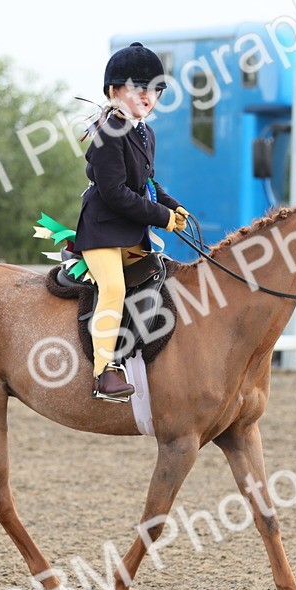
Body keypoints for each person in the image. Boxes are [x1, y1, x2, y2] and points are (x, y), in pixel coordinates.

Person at [73, 42, 189, 402]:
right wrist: (161, 217)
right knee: (113, 289)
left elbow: (148, 184)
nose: (148, 96)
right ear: (114, 91)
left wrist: (176, 208)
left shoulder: (144, 132)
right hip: (102, 231)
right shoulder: (109, 130)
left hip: (131, 235)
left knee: (164, 278)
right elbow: (116, 192)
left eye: (155, 89)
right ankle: (104, 372)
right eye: (139, 88)